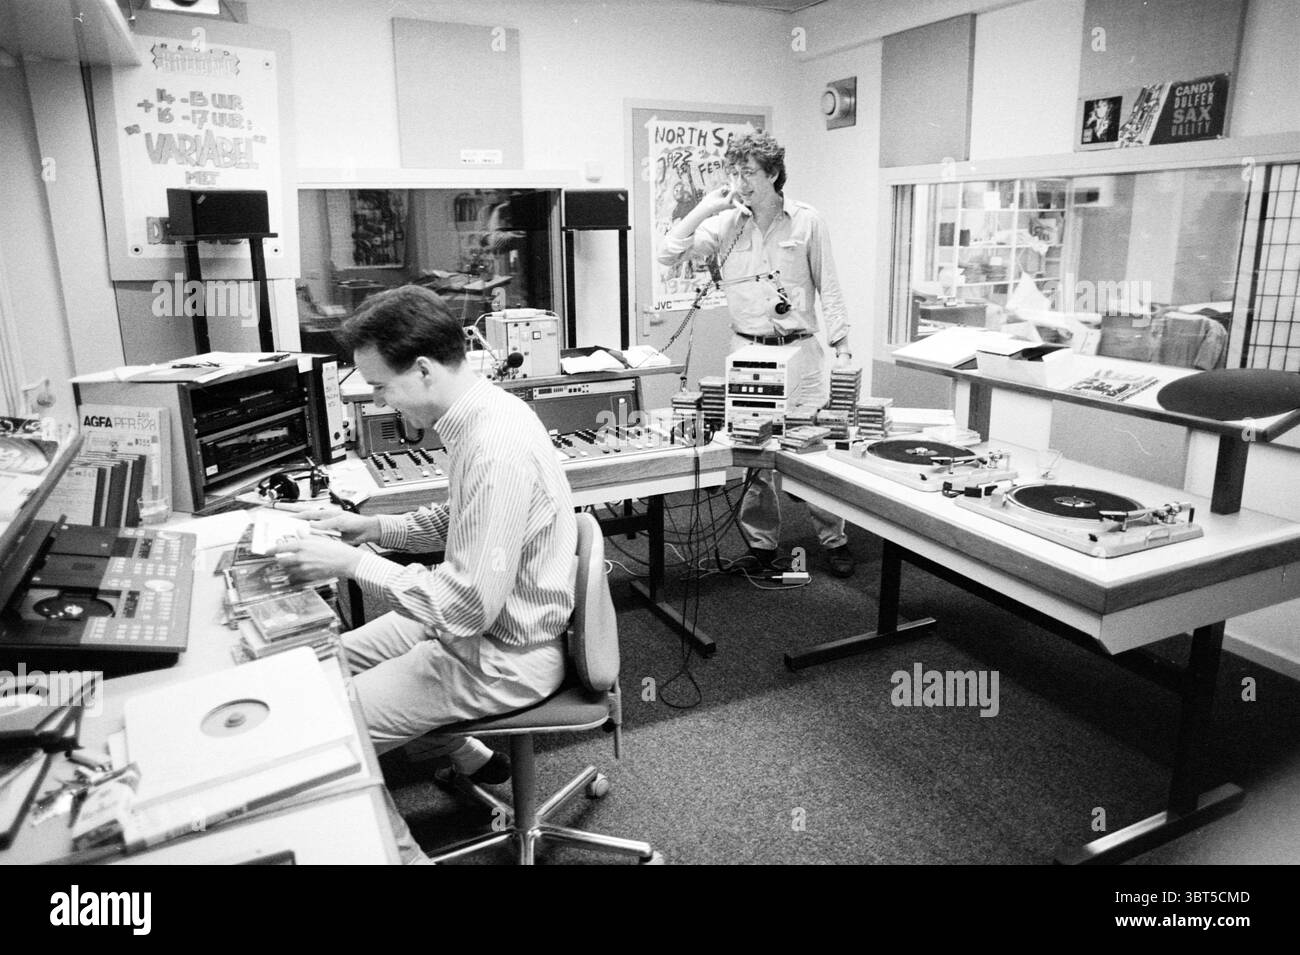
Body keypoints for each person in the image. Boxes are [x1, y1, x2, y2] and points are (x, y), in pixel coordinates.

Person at [274, 285, 576, 863]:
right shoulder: (487, 411)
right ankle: (468, 752)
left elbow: (465, 608)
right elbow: (460, 519)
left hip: (503, 652)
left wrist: (353, 564)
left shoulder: (492, 445)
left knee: (326, 726)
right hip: (483, 628)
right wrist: (372, 530)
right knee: (321, 660)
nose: (382, 403)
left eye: (383, 388)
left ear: (423, 369)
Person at [657, 131, 855, 577]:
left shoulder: (806, 221)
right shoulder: (725, 224)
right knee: (756, 450)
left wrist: (842, 347)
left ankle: (834, 538)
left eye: (749, 173)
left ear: (773, 175)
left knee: (811, 447)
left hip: (801, 351)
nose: (741, 182)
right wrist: (706, 208)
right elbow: (668, 254)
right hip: (748, 348)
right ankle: (762, 544)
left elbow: (831, 285)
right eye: (735, 172)